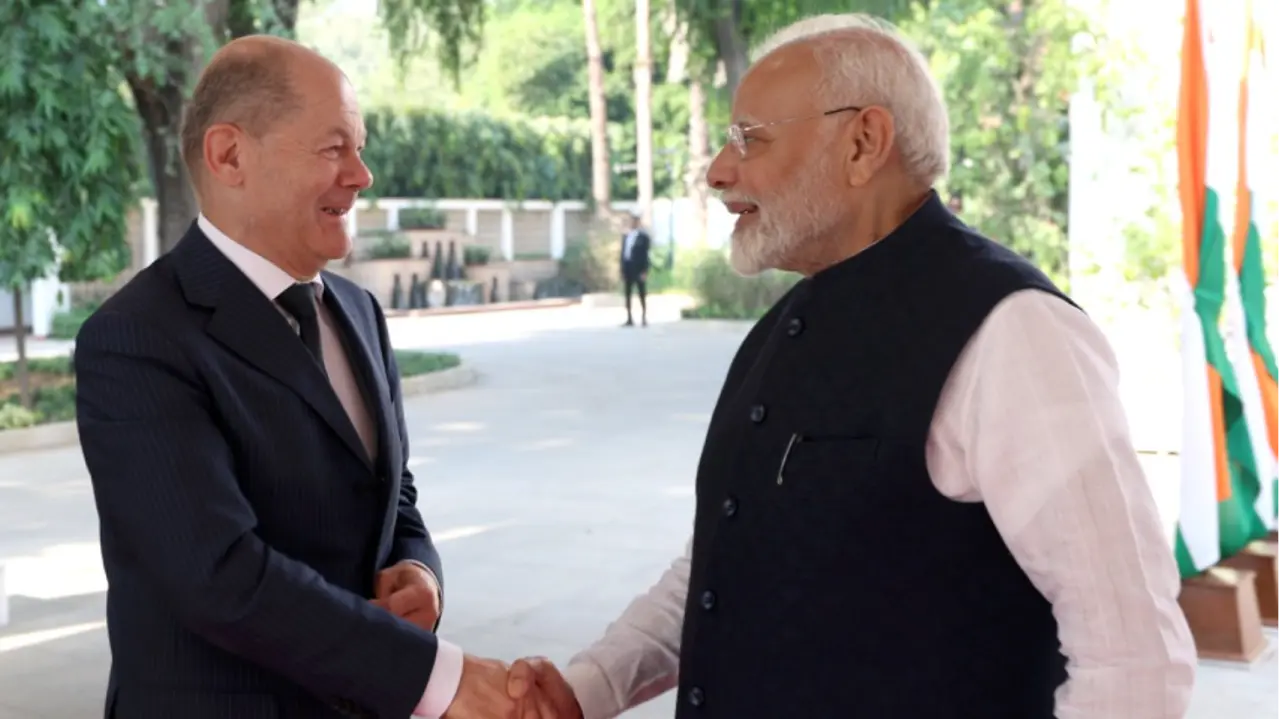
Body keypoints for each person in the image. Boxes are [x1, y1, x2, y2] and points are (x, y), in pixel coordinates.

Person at [507, 13, 1196, 719]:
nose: (718, 169)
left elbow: (1133, 656)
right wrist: (587, 688)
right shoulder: (785, 326)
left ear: (864, 143)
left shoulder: (1015, 332)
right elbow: (727, 560)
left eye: (750, 138)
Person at [74, 36, 523, 719]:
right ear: (230, 155)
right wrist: (439, 677)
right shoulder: (136, 338)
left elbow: (391, 492)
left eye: (361, 147)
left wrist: (419, 569)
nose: (363, 174)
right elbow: (216, 573)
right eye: (334, 147)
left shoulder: (359, 310)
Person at [619, 214, 651, 327]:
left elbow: (646, 255)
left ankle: (644, 317)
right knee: (628, 293)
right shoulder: (626, 236)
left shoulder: (644, 237)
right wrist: (622, 270)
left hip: (639, 268)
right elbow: (623, 254)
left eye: (635, 221)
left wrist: (645, 270)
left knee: (641, 293)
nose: (632, 223)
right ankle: (629, 318)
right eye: (631, 221)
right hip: (628, 267)